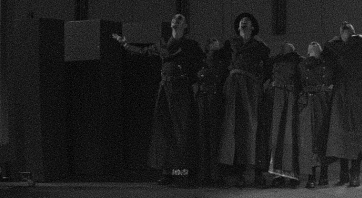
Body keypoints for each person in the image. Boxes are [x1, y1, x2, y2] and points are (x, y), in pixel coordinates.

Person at [112, 14, 206, 186]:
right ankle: (167, 172)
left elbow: (200, 64)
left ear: (185, 26)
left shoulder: (190, 46)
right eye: (174, 18)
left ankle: (182, 172)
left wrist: (196, 83)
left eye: (180, 19)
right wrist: (125, 44)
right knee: (164, 130)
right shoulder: (162, 44)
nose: (176, 20)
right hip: (165, 90)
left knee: (181, 131)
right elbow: (143, 52)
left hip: (181, 90)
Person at [218, 12, 272, 187]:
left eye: (247, 21)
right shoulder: (230, 44)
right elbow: (221, 63)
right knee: (230, 125)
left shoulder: (259, 47)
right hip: (233, 86)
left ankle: (250, 169)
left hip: (250, 88)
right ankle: (231, 169)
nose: (243, 22)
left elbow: (268, 67)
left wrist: (260, 83)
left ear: (253, 27)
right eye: (241, 21)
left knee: (249, 125)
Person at [323, 21, 362, 186]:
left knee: (356, 134)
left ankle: (354, 172)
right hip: (343, 92)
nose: (346, 34)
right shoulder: (336, 48)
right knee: (342, 133)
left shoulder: (360, 46)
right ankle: (345, 173)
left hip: (357, 92)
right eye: (344, 31)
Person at [264, 42, 305, 186]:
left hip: (290, 99)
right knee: (276, 135)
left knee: (290, 135)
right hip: (278, 100)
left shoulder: (298, 62)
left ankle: (292, 173)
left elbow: (302, 80)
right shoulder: (275, 62)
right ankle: (278, 173)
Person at [194, 37, 230, 187]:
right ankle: (204, 174)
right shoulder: (202, 62)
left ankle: (214, 174)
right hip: (203, 99)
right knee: (204, 137)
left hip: (215, 100)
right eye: (213, 44)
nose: (216, 46)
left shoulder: (221, 63)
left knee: (215, 137)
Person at [299, 41, 334, 188]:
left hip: (322, 103)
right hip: (308, 104)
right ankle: (311, 175)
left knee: (323, 137)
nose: (313, 44)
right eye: (311, 45)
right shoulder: (302, 65)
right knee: (310, 140)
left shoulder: (327, 65)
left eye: (316, 46)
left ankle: (324, 174)